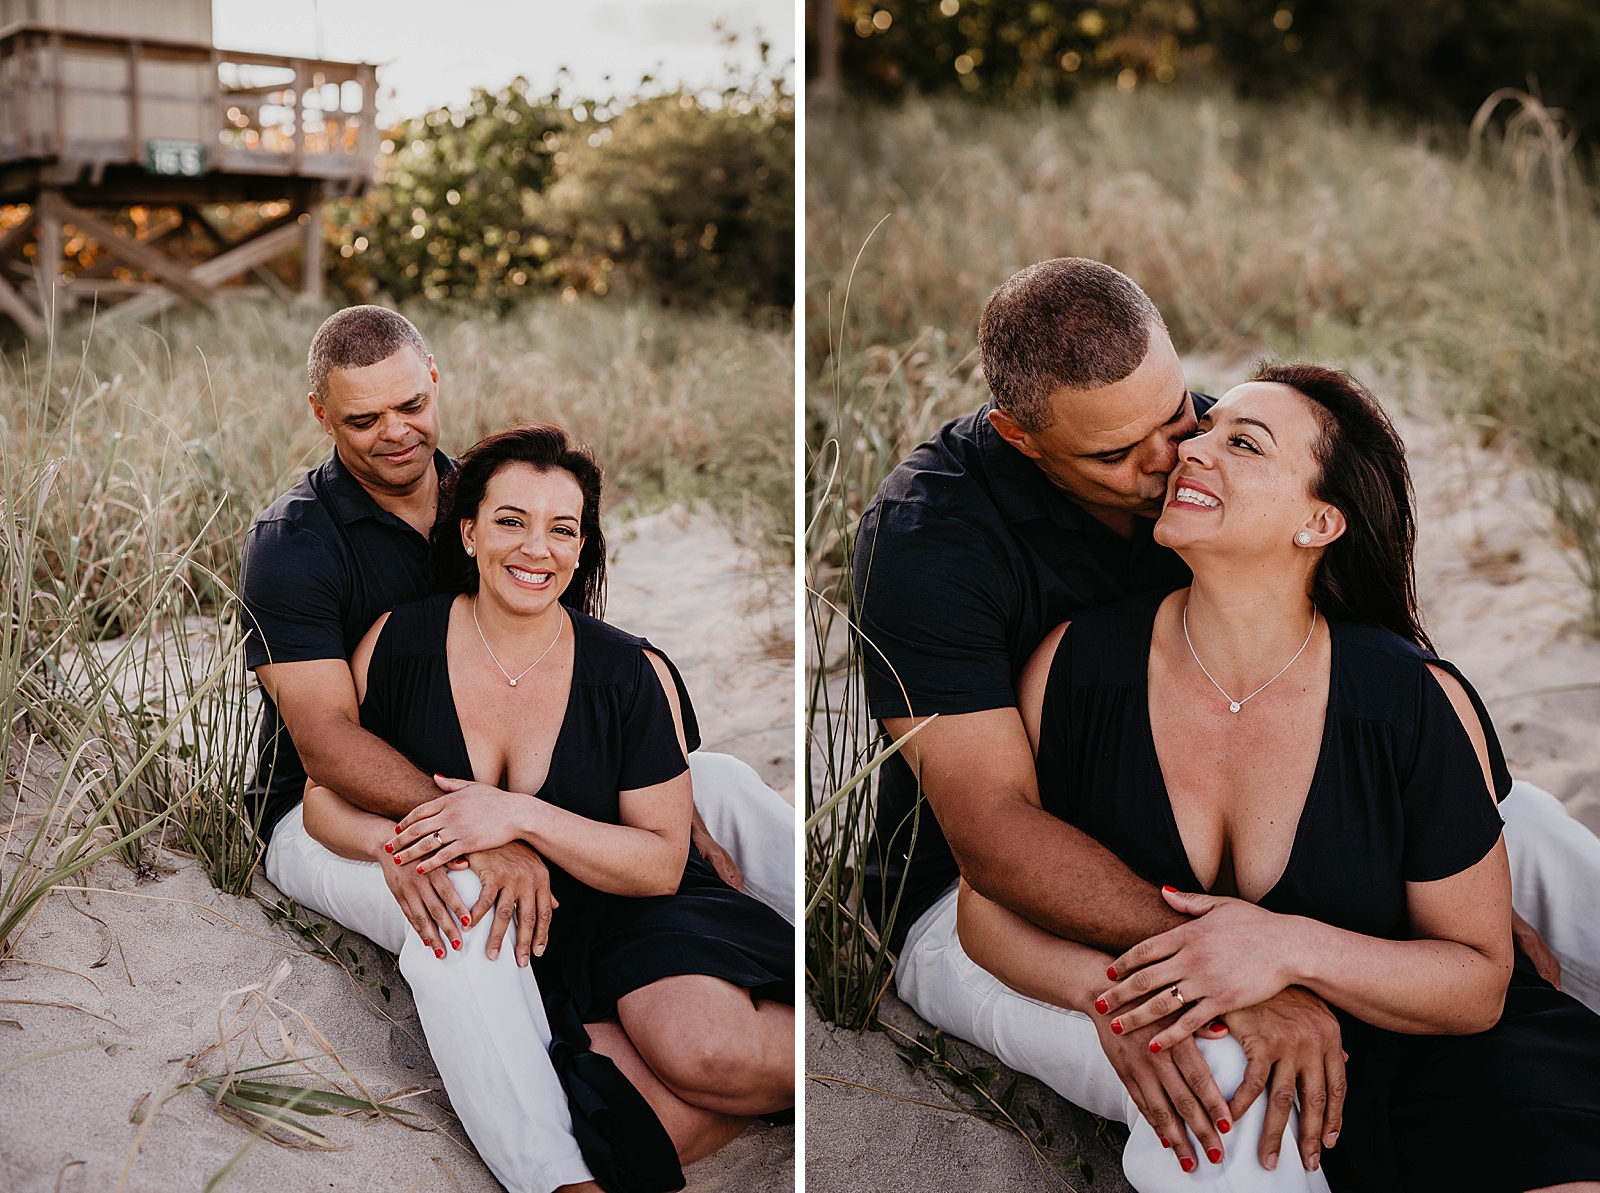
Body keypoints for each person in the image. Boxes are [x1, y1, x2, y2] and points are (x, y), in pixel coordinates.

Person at [852, 258, 1600, 1179]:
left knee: (1534, 835)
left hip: (1238, 864)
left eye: (1181, 416)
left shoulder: (1204, 451)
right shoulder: (928, 542)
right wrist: (1219, 972)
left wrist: (1451, 886)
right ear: (1021, 437)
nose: (1171, 460)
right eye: (1116, 455)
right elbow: (993, 841)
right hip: (997, 902)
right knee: (1223, 1072)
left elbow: (1363, 644)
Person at [241, 306, 794, 1193]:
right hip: (329, 815)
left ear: (435, 381)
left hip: (496, 787)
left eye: (410, 405)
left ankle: (832, 965)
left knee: (717, 779)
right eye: (363, 418)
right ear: (320, 414)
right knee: (465, 902)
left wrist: (665, 795)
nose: (396, 432)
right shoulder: (294, 544)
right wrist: (474, 831)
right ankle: (557, 1174)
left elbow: (568, 648)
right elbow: (328, 746)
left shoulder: (492, 490)